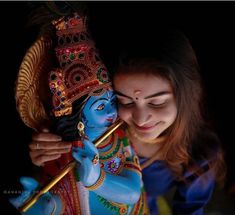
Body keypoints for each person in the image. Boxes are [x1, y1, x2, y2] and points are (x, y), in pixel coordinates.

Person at [29, 26, 226, 215]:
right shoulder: (101, 127)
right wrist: (49, 152)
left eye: (157, 102)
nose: (140, 119)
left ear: (187, 97)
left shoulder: (200, 153)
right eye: (123, 100)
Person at [9, 6, 149, 215]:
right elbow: (64, 201)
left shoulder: (119, 139)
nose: (111, 110)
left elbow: (131, 193)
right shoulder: (63, 150)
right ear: (77, 115)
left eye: (112, 100)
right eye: (100, 106)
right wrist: (45, 204)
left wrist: (96, 179)